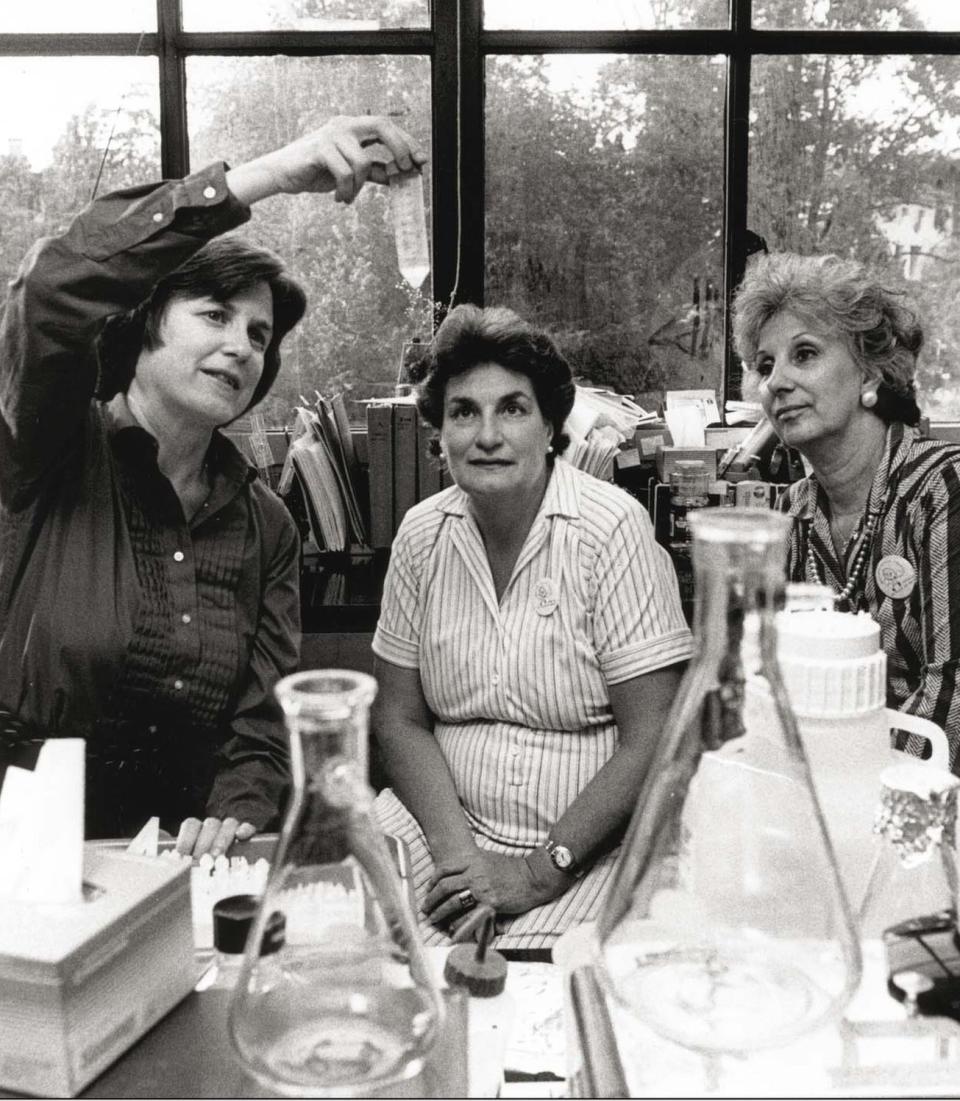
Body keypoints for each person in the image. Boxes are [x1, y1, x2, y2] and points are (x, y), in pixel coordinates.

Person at [0, 116, 427, 855]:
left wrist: (235, 809)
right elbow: (53, 287)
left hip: (185, 869)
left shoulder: (267, 525)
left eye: (260, 336)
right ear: (143, 326)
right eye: (215, 315)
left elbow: (260, 727)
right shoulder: (49, 450)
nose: (242, 346)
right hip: (24, 858)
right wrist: (268, 175)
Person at [371, 305, 693, 950]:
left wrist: (540, 873)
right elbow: (398, 718)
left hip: (584, 851)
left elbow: (656, 734)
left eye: (512, 409)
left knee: (537, 993)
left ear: (550, 427)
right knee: (345, 949)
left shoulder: (611, 530)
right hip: (443, 830)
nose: (487, 434)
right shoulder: (421, 536)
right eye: (464, 412)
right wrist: (460, 862)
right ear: (440, 433)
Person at [733, 252, 960, 770]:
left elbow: (954, 695)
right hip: (821, 788)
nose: (776, 382)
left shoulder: (942, 488)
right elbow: (773, 682)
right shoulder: (793, 513)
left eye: (805, 354)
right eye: (765, 366)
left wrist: (848, 788)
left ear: (870, 372)